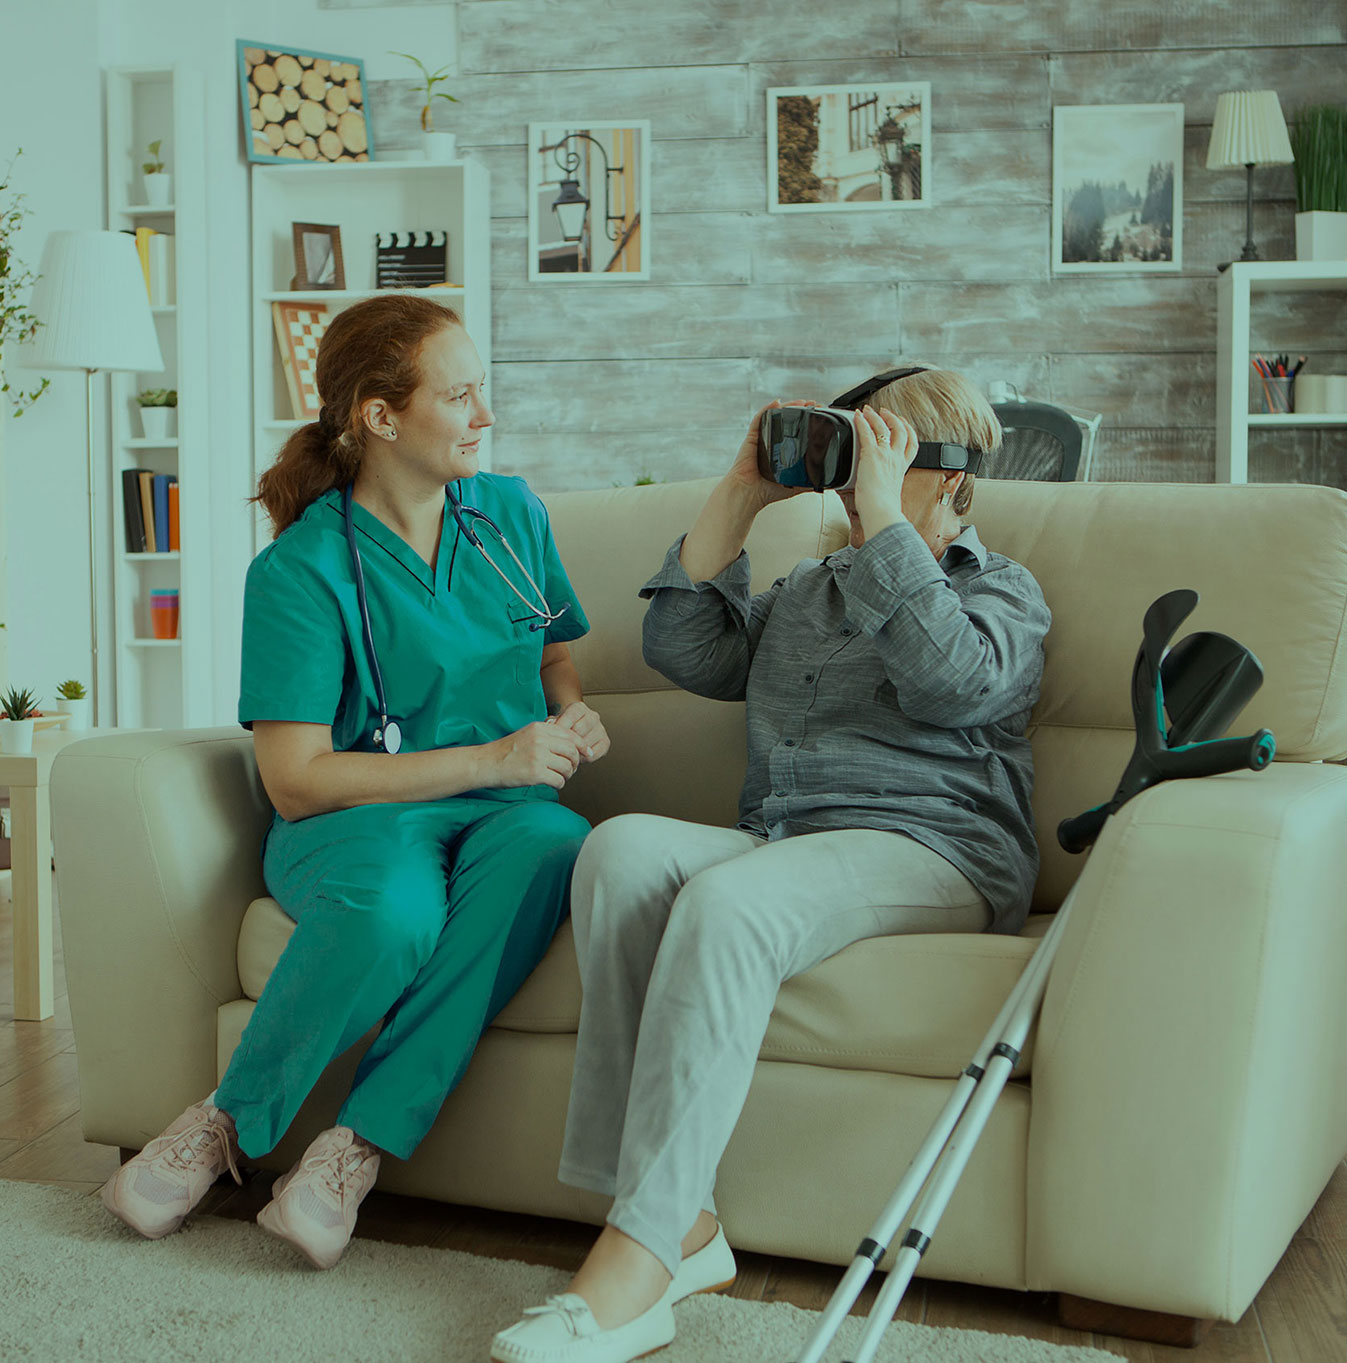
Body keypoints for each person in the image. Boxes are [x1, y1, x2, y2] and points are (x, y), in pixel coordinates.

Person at [491, 365, 1050, 1363]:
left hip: (937, 848)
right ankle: (684, 1223)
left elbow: (954, 679)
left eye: (886, 452)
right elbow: (686, 652)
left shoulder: (999, 589)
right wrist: (743, 492)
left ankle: (635, 1267)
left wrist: (882, 517)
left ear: (954, 474)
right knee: (619, 851)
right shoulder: (809, 590)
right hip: (792, 839)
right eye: (854, 450)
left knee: (728, 903)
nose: (855, 477)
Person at [100, 294, 608, 1270]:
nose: (483, 415)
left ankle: (351, 1148)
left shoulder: (509, 516)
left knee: (556, 843)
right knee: (391, 920)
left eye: (480, 393)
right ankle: (222, 1125)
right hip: (357, 816)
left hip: (509, 813)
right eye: (459, 397)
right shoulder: (301, 570)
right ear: (381, 416)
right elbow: (294, 780)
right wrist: (491, 759)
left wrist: (565, 715)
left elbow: (551, 654)